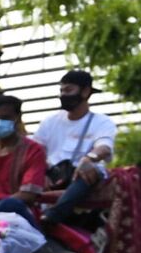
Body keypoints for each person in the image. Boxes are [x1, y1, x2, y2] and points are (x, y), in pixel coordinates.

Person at [32, 69, 117, 228]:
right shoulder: (50, 122)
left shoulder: (102, 122)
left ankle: (53, 216)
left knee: (92, 170)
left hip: (81, 176)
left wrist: (89, 159)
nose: (63, 95)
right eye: (62, 91)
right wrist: (41, 171)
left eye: (69, 90)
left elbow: (104, 147)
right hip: (53, 174)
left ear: (85, 92)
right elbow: (36, 150)